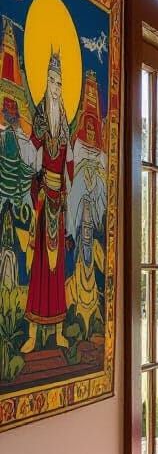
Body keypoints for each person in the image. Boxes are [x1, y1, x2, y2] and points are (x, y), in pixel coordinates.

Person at [22, 50, 74, 352]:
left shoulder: (64, 120)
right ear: (46, 83)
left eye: (60, 83)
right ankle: (31, 333)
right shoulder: (42, 116)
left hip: (60, 202)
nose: (56, 88)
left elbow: (68, 162)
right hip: (44, 201)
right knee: (41, 267)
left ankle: (57, 332)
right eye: (52, 82)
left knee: (58, 272)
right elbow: (32, 153)